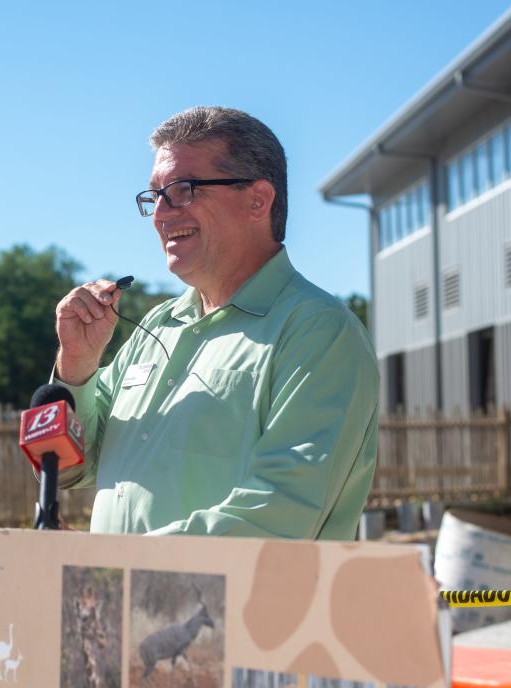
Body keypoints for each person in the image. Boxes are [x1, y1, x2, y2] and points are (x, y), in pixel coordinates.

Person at [53, 106, 378, 539]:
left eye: (183, 189)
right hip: (118, 597)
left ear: (258, 200)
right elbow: (70, 470)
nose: (161, 214)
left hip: (239, 607)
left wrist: (116, 565)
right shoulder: (156, 327)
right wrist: (77, 364)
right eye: (155, 195)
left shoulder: (318, 332)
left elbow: (282, 512)